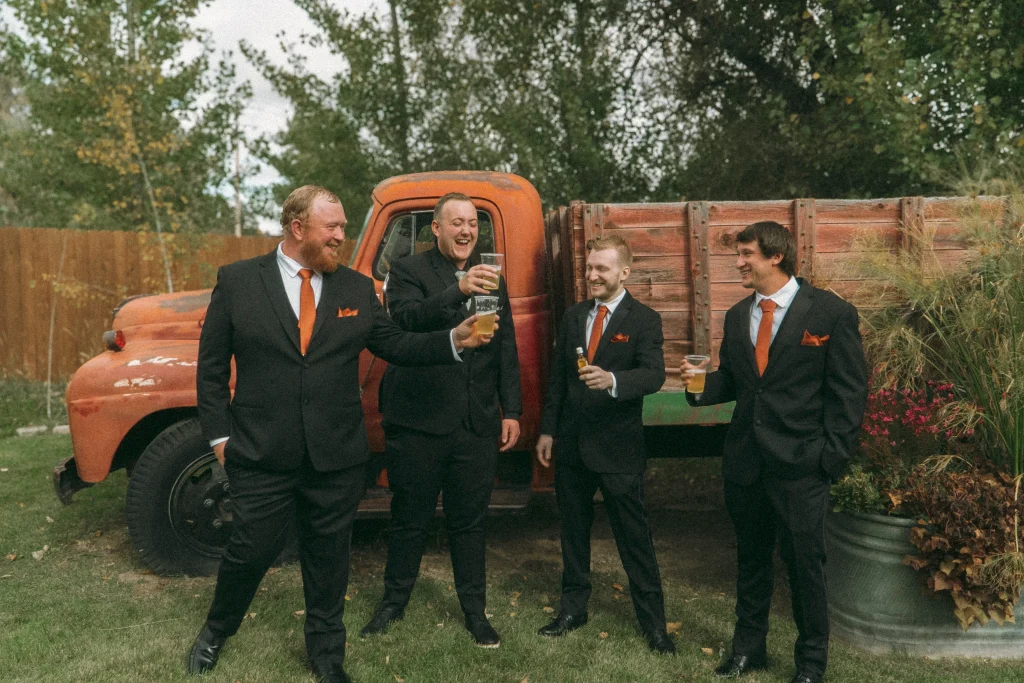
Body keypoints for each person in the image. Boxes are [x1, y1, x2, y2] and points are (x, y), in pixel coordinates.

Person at [187, 185, 495, 683]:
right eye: (331, 227)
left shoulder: (355, 288)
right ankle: (217, 631)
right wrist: (220, 438)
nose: (340, 236)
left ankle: (328, 657)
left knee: (329, 560)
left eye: (343, 226)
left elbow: (394, 344)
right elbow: (211, 368)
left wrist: (452, 341)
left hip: (336, 455)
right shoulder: (239, 281)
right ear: (297, 228)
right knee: (251, 549)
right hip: (263, 451)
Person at [679, 221, 867, 683]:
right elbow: (740, 382)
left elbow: (849, 394)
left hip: (803, 466)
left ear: (775, 256)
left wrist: (830, 459)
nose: (738, 263)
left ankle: (810, 665)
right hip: (746, 463)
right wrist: (699, 388)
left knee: (805, 568)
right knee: (751, 560)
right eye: (738, 254)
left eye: (746, 254)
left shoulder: (830, 313)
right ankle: (749, 650)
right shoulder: (737, 314)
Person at [360, 192, 522, 648]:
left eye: (472, 223)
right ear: (436, 228)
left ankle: (475, 613)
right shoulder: (408, 271)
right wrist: (458, 289)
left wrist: (512, 410)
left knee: (469, 522)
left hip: (475, 423)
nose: (466, 231)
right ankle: (392, 606)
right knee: (409, 519)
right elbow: (406, 322)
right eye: (456, 223)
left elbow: (504, 347)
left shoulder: (494, 278)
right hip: (418, 422)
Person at [535, 234, 676, 655]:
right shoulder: (574, 315)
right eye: (589, 268)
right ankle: (573, 610)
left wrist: (614, 380)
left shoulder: (644, 319)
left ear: (624, 273)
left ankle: (654, 626)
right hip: (573, 449)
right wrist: (547, 431)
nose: (592, 275)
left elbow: (653, 375)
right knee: (573, 534)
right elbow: (559, 380)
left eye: (602, 269)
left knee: (635, 540)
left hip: (618, 451)